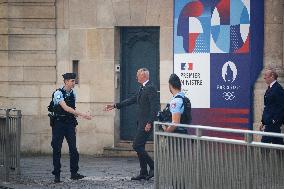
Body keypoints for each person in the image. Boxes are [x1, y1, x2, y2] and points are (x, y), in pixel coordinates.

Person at [104, 68, 159, 181]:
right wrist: (115, 105)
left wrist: (149, 122)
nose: (136, 77)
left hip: (146, 123)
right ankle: (143, 172)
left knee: (136, 145)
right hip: (141, 122)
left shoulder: (151, 88)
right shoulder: (142, 88)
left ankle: (153, 166)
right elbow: (132, 100)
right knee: (140, 146)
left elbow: (155, 108)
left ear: (144, 76)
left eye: (138, 75)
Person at [51, 73, 92, 183]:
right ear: (66, 82)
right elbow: (65, 108)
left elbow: (72, 109)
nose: (74, 83)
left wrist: (74, 125)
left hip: (69, 124)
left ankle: (74, 173)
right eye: (72, 81)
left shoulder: (73, 93)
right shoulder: (58, 93)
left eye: (74, 81)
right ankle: (57, 175)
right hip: (59, 124)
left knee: (73, 149)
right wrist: (83, 114)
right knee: (57, 149)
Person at [260, 68, 284, 144]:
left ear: (272, 76)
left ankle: (262, 156)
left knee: (264, 144)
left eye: (266, 75)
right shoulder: (270, 88)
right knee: (278, 144)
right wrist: (263, 121)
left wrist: (275, 120)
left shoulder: (278, 88)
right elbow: (267, 106)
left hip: (273, 122)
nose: (264, 78)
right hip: (269, 121)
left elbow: (281, 106)